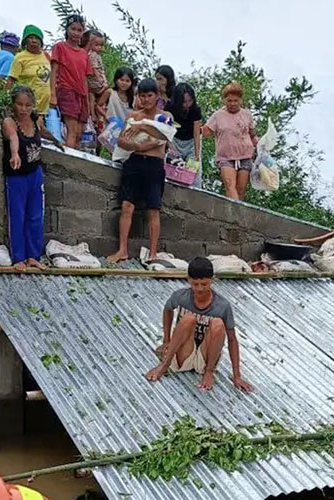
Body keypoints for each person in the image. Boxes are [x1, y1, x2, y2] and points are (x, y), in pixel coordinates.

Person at [144, 257, 254, 392]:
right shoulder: (181, 296)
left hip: (206, 358)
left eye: (204, 284)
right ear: (189, 280)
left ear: (212, 280)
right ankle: (164, 365)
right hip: (183, 354)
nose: (200, 289)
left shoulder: (222, 305)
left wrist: (237, 376)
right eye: (195, 284)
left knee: (218, 323)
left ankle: (208, 373)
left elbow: (232, 339)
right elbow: (167, 310)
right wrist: (166, 340)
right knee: (189, 319)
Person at [107, 79, 173, 264]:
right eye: (142, 96)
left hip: (154, 165)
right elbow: (121, 141)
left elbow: (164, 136)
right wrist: (139, 146)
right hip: (134, 162)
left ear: (157, 96)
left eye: (149, 96)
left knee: (153, 209)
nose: (146, 100)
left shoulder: (164, 116)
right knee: (127, 206)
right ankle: (122, 250)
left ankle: (153, 253)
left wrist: (143, 127)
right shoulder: (133, 115)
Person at [1, 86, 64, 271]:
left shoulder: (36, 120)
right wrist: (15, 155)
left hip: (35, 174)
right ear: (13, 104)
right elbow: (13, 138)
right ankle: (18, 257)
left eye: (27, 105)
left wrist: (57, 141)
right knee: (17, 216)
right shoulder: (9, 122)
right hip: (16, 175)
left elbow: (42, 131)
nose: (23, 109)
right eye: (20, 104)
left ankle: (33, 256)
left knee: (35, 216)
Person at [202, 82, 258, 200]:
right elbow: (206, 131)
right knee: (229, 185)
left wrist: (260, 148)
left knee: (241, 189)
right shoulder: (218, 116)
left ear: (240, 100)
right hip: (226, 157)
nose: (232, 104)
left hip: (245, 155)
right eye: (229, 101)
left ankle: (238, 214)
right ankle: (233, 215)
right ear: (225, 100)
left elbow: (253, 135)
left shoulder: (246, 115)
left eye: (235, 101)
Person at [50, 14, 92, 148]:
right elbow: (54, 71)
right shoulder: (60, 47)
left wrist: (87, 101)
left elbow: (85, 78)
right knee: (72, 132)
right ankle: (68, 165)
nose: (76, 33)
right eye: (73, 29)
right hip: (66, 90)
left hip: (81, 95)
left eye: (79, 30)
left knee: (80, 134)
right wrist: (52, 94)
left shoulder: (84, 53)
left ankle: (75, 162)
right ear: (67, 29)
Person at [5, 25, 52, 115]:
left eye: (37, 38)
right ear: (25, 41)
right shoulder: (20, 57)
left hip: (46, 108)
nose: (34, 41)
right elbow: (11, 80)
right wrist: (7, 103)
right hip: (27, 109)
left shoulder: (46, 56)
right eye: (30, 37)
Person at [166, 82, 203, 187]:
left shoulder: (196, 110)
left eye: (190, 101)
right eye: (184, 102)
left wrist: (196, 156)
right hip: (175, 140)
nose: (187, 105)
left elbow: (196, 134)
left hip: (191, 143)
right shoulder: (169, 108)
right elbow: (166, 130)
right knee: (173, 173)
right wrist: (171, 147)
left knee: (193, 175)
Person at [80, 29, 110, 123]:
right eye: (96, 45)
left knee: (92, 95)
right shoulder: (92, 55)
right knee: (106, 92)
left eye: (101, 45)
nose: (99, 48)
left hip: (94, 83)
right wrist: (101, 80)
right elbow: (95, 69)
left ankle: (94, 113)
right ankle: (97, 110)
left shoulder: (96, 56)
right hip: (94, 81)